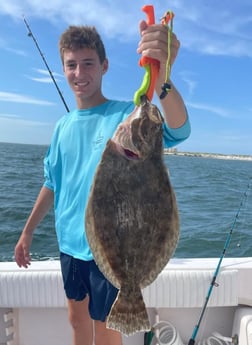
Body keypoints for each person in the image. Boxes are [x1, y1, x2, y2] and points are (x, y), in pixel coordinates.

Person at [14, 17, 191, 345]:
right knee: (76, 321)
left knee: (107, 331)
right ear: (63, 68)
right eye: (71, 65)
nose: (79, 73)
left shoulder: (125, 115)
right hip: (69, 245)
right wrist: (27, 232)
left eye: (88, 64)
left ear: (105, 66)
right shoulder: (62, 126)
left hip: (111, 250)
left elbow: (178, 130)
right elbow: (51, 182)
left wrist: (163, 75)